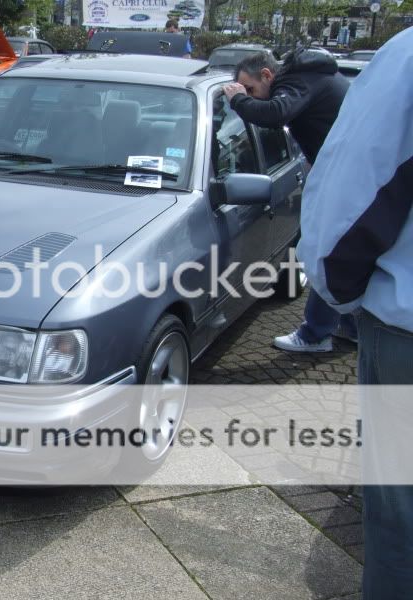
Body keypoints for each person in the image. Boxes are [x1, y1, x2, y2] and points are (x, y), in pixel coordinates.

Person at [296, 26, 413, 600]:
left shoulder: (408, 55)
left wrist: (336, 303)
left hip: (407, 327)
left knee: (401, 510)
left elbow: (353, 189)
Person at [223, 49, 353, 353]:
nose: (252, 97)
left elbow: (275, 114)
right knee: (340, 253)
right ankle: (350, 326)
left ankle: (316, 335)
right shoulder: (310, 77)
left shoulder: (297, 82)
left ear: (268, 75)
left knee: (325, 253)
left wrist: (238, 100)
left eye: (252, 90)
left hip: (344, 177)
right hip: (344, 172)